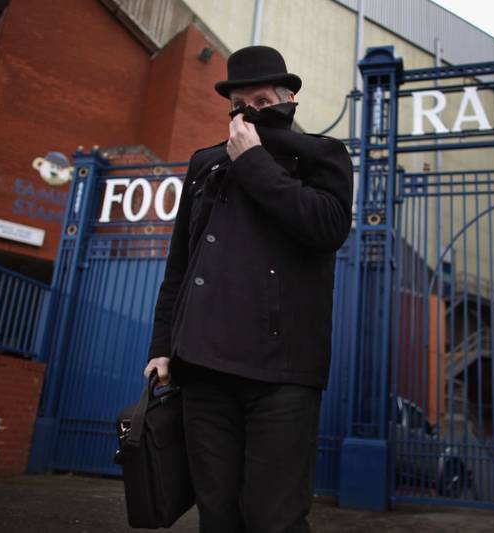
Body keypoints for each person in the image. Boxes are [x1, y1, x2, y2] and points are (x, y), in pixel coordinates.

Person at [143, 45, 353, 532]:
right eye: (239, 104)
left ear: (289, 98)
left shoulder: (324, 155)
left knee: (272, 517)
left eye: (261, 100)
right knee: (217, 515)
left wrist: (255, 162)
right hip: (203, 367)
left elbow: (327, 228)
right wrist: (162, 347)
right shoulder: (206, 164)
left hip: (282, 373)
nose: (248, 112)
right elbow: (181, 264)